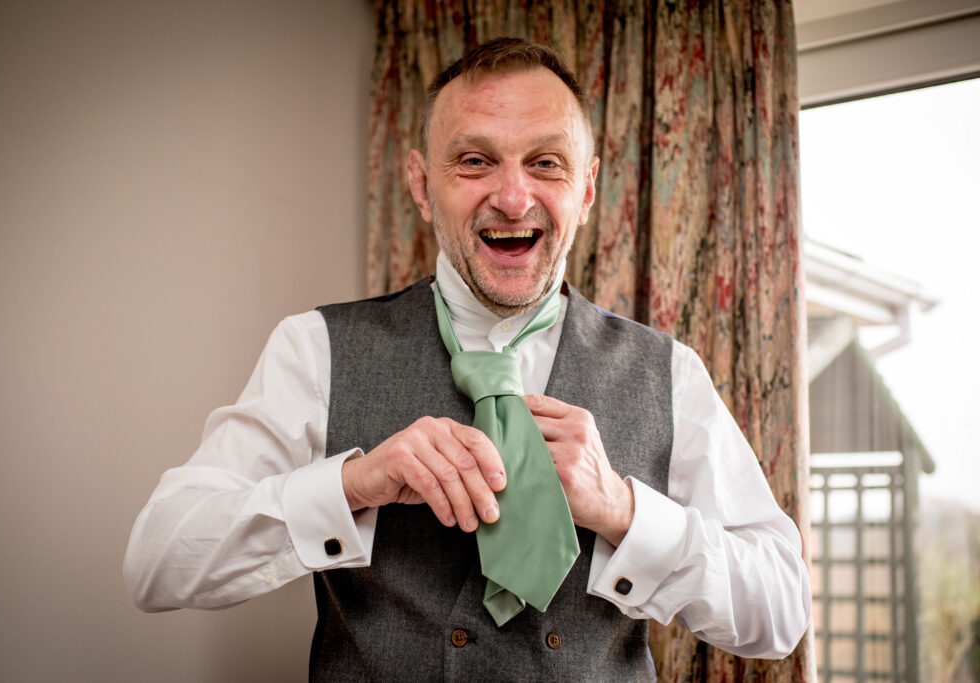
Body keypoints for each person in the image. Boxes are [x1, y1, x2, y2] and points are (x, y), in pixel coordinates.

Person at [125, 37, 811, 680]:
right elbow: (159, 561)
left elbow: (780, 610)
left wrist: (625, 511)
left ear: (588, 188)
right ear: (423, 187)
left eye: (546, 162)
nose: (513, 197)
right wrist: (352, 486)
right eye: (475, 160)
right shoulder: (314, 349)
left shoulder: (670, 372)